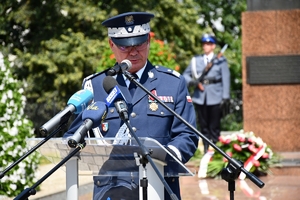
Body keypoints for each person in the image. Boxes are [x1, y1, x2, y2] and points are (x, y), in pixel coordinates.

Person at [64, 12, 199, 200]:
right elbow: (74, 136)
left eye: (140, 43)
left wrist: (164, 157)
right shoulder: (95, 86)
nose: (134, 52)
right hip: (110, 191)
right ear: (111, 45)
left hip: (159, 187)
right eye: (125, 46)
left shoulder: (172, 83)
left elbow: (188, 135)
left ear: (149, 41)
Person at [182, 33, 230, 153]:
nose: (206, 46)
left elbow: (226, 78)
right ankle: (206, 152)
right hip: (200, 97)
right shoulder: (196, 60)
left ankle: (216, 151)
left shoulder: (220, 60)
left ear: (213, 46)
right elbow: (185, 75)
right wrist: (193, 82)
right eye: (204, 44)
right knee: (203, 127)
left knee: (214, 127)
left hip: (216, 96)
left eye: (209, 44)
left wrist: (225, 97)